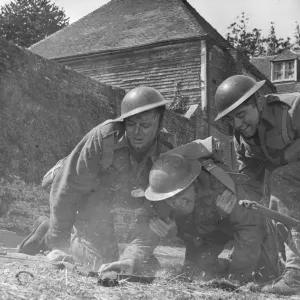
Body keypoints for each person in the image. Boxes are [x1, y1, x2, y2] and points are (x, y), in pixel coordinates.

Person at [18, 86, 177, 270]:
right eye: (131, 124)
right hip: (81, 192)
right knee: (94, 263)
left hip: (111, 200)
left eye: (146, 125)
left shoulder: (166, 151)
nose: (137, 132)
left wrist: (133, 258)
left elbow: (160, 212)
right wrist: (58, 240)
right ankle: (47, 234)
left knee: (115, 262)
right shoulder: (105, 137)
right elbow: (68, 187)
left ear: (159, 122)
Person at [99, 151, 281, 283]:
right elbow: (146, 236)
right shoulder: (160, 199)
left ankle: (251, 265)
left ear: (192, 183)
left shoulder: (220, 187)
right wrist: (130, 259)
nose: (176, 202)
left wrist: (237, 278)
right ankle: (227, 264)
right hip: (209, 237)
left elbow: (251, 227)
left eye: (180, 194)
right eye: (169, 199)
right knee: (195, 274)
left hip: (249, 232)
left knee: (266, 276)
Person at [214, 74, 300, 295]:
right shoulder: (242, 139)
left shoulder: (292, 109)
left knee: (279, 178)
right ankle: (273, 269)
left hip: (290, 178)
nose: (238, 124)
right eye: (231, 119)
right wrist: (233, 196)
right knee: (257, 203)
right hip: (291, 181)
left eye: (241, 115)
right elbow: (250, 184)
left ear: (259, 102)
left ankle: (296, 274)